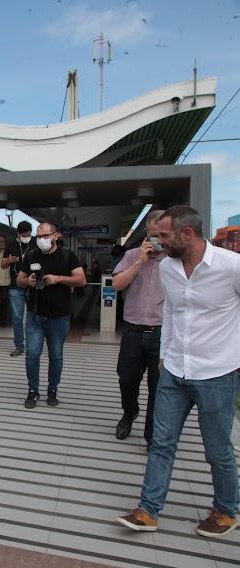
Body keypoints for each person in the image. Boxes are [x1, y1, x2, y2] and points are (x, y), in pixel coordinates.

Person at [116, 205, 240, 539]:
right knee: (161, 443)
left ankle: (227, 511)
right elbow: (171, 309)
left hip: (217, 374)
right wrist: (166, 354)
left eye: (164, 236)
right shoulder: (169, 268)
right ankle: (148, 510)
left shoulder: (231, 267)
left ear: (186, 234)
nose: (158, 242)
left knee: (217, 449)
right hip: (174, 370)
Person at [16, 222, 86, 408]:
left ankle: (52, 389)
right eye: (38, 237)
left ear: (55, 236)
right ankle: (33, 390)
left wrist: (58, 279)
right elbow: (19, 279)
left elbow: (81, 280)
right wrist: (28, 281)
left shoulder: (67, 256)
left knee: (56, 356)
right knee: (32, 354)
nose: (41, 240)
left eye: (45, 236)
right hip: (35, 314)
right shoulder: (30, 255)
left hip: (59, 315)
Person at [110, 209, 165, 445]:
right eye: (154, 235)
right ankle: (129, 412)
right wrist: (140, 262)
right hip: (133, 331)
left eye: (163, 236)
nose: (159, 241)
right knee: (127, 379)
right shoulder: (132, 255)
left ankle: (152, 431)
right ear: (146, 234)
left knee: (159, 386)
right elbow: (117, 284)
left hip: (163, 333)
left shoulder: (176, 260)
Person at [2, 221, 35, 356]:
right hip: (15, 286)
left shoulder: (36, 243)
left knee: (33, 317)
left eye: (28, 234)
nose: (26, 237)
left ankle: (33, 344)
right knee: (17, 317)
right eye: (24, 235)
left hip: (32, 285)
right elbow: (2, 264)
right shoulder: (11, 245)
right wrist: (9, 261)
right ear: (18, 234)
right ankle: (19, 345)